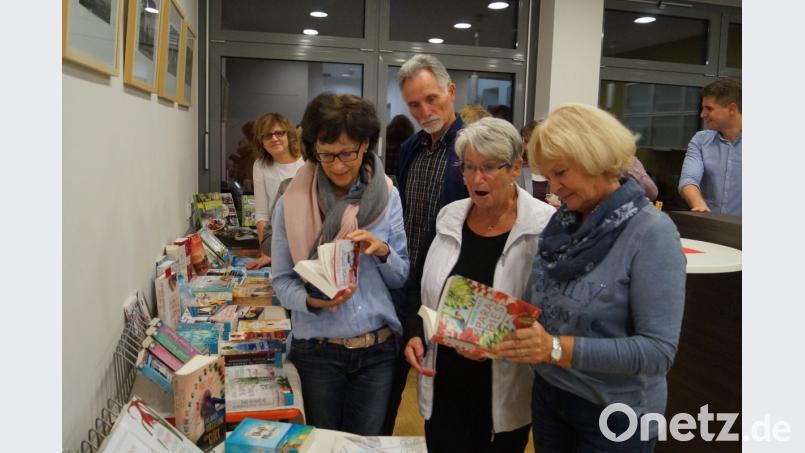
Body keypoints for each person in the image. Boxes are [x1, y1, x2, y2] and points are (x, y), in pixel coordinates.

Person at [494, 103, 686, 451]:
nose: (554, 187)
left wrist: (553, 348)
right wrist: (492, 338)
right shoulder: (563, 223)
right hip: (552, 398)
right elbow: (536, 309)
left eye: (561, 172)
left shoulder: (650, 232)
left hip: (615, 412)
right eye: (548, 175)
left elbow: (657, 352)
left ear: (595, 157)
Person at [405, 117, 555, 452]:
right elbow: (418, 287)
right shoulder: (449, 218)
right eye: (468, 167)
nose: (476, 178)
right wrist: (415, 331)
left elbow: (555, 311)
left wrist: (494, 341)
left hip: (502, 386)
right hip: (444, 379)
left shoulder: (544, 227)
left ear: (515, 167)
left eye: (488, 167)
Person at [270, 93, 410, 435]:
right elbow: (281, 280)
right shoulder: (291, 201)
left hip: (376, 351)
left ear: (365, 145)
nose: (337, 165)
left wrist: (382, 252)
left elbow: (401, 275)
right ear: (313, 149)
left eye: (347, 153)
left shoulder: (387, 194)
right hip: (317, 351)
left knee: (365, 444)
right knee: (323, 442)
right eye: (327, 154)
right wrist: (311, 300)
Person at [382, 54, 469, 435]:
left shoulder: (472, 151)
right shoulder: (409, 150)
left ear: (451, 91)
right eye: (415, 104)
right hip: (404, 289)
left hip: (450, 293)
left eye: (432, 98)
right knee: (386, 398)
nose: (424, 110)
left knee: (447, 404)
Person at [246, 113, 305, 270]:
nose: (274, 139)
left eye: (279, 133)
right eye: (267, 135)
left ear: (288, 135)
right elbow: (262, 214)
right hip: (278, 236)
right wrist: (266, 252)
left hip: (307, 236)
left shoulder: (306, 161)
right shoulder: (260, 165)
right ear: (261, 141)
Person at [678, 78, 742, 215]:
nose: (702, 114)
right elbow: (688, 180)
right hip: (710, 228)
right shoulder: (700, 140)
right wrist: (699, 204)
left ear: (732, 109)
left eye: (709, 109)